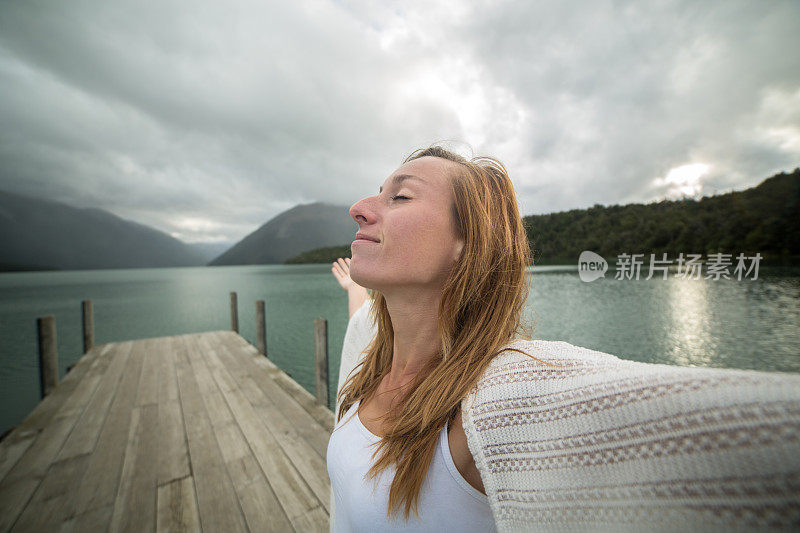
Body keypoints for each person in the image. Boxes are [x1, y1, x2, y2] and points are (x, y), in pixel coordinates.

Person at [327, 145, 800, 532]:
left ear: (467, 243)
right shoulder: (372, 363)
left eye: (401, 198)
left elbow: (721, 427)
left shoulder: (496, 399)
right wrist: (354, 289)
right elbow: (365, 319)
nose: (359, 208)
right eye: (377, 192)